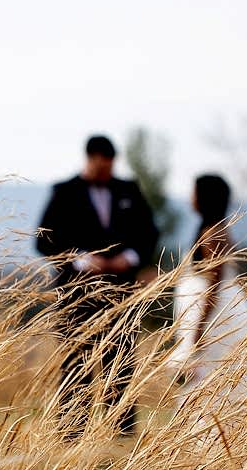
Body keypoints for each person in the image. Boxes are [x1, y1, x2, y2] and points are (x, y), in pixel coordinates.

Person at [36, 135, 159, 436]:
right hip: (78, 297)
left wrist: (129, 258)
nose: (107, 172)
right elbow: (43, 240)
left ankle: (122, 433)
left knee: (121, 362)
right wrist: (80, 259)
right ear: (90, 159)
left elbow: (149, 233)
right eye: (102, 166)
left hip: (121, 294)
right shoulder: (64, 193)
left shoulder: (128, 190)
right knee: (76, 364)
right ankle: (72, 433)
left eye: (111, 166)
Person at [168, 174, 247, 425]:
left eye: (194, 192)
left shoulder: (212, 232)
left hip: (217, 315)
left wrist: (199, 330)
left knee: (213, 369)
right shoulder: (215, 228)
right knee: (216, 371)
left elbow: (214, 284)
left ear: (204, 197)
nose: (190, 197)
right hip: (219, 309)